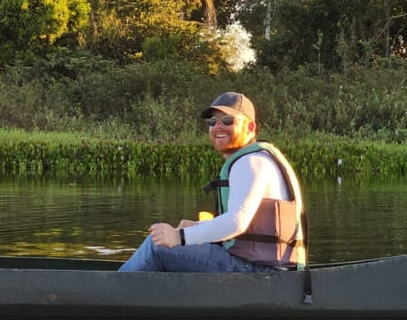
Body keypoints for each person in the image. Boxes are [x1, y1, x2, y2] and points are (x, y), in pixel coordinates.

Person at [119, 92, 306, 273]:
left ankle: (109, 292)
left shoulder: (250, 162)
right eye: (212, 122)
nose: (218, 127)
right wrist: (197, 228)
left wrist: (180, 237)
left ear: (250, 128)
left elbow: (237, 222)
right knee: (167, 243)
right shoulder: (257, 158)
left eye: (227, 120)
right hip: (264, 265)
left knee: (157, 246)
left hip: (261, 269)